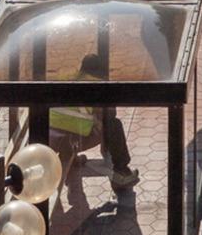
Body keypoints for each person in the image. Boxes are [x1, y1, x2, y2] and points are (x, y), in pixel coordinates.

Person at [49, 52, 139, 193]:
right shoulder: (94, 85)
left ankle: (71, 158)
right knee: (114, 125)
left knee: (93, 122)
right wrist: (98, 118)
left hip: (49, 137)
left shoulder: (67, 78)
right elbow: (109, 114)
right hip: (72, 140)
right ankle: (121, 172)